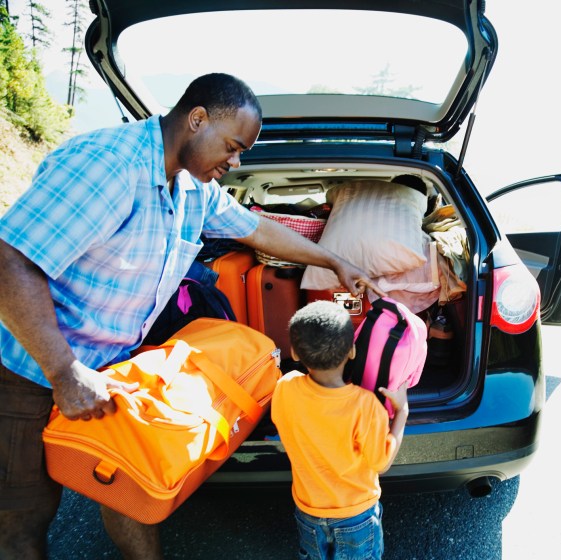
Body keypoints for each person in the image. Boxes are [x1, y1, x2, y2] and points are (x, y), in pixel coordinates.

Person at [0, 72, 383, 560]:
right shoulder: (108, 165)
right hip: (29, 368)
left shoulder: (191, 188)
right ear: (196, 119)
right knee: (23, 516)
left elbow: (255, 229)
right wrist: (63, 370)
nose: (236, 161)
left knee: (132, 486)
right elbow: (10, 259)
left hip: (113, 366)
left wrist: (334, 261)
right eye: (232, 146)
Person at [271, 301, 408, 560]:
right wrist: (402, 414)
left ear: (295, 353)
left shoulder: (285, 388)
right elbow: (381, 463)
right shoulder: (365, 406)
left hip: (308, 512)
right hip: (356, 516)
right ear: (352, 351)